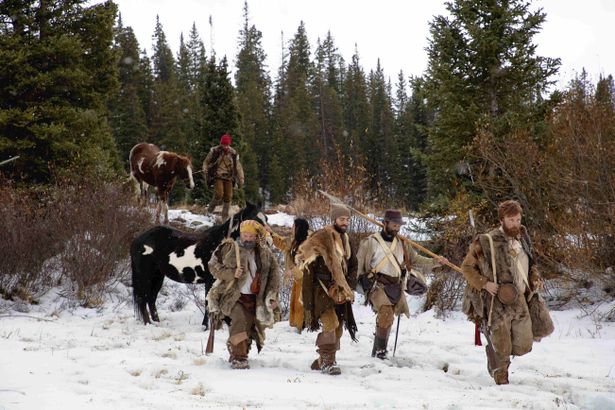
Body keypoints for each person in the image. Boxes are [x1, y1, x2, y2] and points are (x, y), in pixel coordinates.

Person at [461, 200, 552, 385]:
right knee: (502, 348)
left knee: (524, 345)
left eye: (518, 219)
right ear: (501, 220)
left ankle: (497, 357)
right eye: (511, 220)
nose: (515, 224)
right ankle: (501, 378)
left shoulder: (523, 237)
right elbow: (467, 268)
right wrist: (485, 284)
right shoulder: (486, 241)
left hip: (520, 300)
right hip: (497, 303)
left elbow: (531, 264)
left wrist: (534, 278)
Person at [356, 209, 447, 359]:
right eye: (394, 225)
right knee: (385, 313)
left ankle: (378, 348)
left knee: (388, 317)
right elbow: (359, 265)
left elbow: (416, 260)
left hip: (396, 285)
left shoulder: (403, 243)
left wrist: (436, 262)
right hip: (377, 285)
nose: (397, 228)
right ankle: (380, 352)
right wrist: (359, 283)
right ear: (385, 223)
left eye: (398, 225)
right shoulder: (371, 242)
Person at [207, 219, 279, 369]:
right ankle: (239, 358)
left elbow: (274, 275)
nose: (247, 239)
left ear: (256, 236)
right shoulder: (229, 248)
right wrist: (232, 273)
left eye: (251, 236)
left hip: (255, 298)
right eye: (245, 235)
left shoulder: (265, 253)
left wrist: (272, 296)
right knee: (239, 321)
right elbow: (213, 266)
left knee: (249, 328)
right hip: (233, 296)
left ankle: (237, 349)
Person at [295, 204, 358, 375]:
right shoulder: (320, 238)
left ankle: (323, 359)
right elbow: (308, 271)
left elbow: (353, 266)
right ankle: (328, 363)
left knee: (338, 329)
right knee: (331, 323)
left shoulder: (347, 240)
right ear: (334, 219)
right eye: (341, 219)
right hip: (321, 292)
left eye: (347, 219)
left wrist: (348, 286)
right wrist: (308, 305)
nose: (345, 223)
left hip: (341, 292)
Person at [268, 218, 310, 332]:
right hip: (298, 280)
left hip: (306, 281)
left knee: (302, 304)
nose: (291, 229)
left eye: (293, 227)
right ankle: (298, 326)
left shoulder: (307, 245)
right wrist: (270, 233)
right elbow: (281, 243)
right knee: (296, 303)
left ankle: (305, 327)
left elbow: (307, 265)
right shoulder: (294, 242)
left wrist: (293, 271)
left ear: (299, 228)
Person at [202, 133, 245, 220]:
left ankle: (224, 217)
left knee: (228, 197)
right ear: (221, 143)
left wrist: (241, 177)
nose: (225, 146)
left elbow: (238, 166)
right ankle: (209, 211)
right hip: (218, 176)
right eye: (223, 144)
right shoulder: (215, 151)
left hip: (229, 177)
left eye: (227, 145)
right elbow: (206, 162)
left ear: (229, 144)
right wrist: (204, 168)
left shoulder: (233, 153)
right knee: (219, 194)